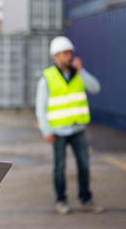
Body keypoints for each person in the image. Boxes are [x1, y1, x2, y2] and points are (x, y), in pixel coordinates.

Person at [35, 36, 104, 215]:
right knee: (60, 167)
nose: (69, 57)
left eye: (70, 53)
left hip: (77, 129)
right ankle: (61, 200)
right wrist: (46, 130)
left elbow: (95, 88)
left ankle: (86, 199)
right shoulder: (47, 78)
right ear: (56, 57)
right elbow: (40, 107)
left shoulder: (78, 74)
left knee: (84, 165)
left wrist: (82, 72)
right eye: (65, 54)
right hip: (57, 131)